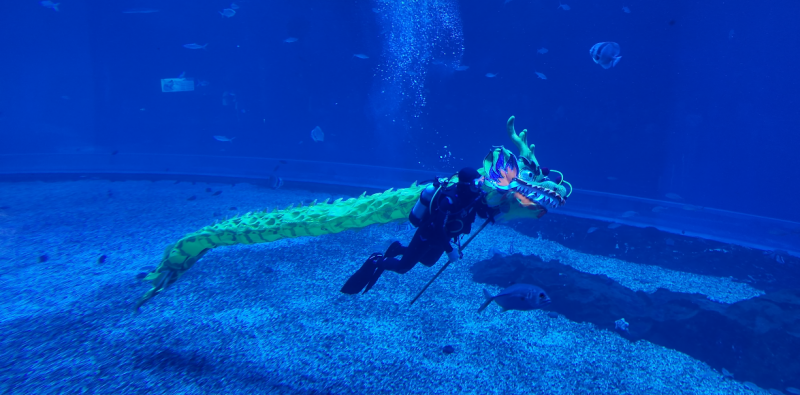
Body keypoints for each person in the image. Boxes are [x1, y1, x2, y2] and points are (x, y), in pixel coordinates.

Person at [341, 167, 495, 295]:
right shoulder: (448, 200)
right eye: (476, 183)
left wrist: (496, 211)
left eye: (480, 181)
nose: (479, 186)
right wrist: (449, 250)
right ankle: (376, 260)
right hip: (427, 236)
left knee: (428, 262)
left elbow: (482, 212)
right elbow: (438, 226)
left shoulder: (474, 196)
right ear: (466, 185)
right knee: (403, 268)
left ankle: (399, 248)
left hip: (444, 238)